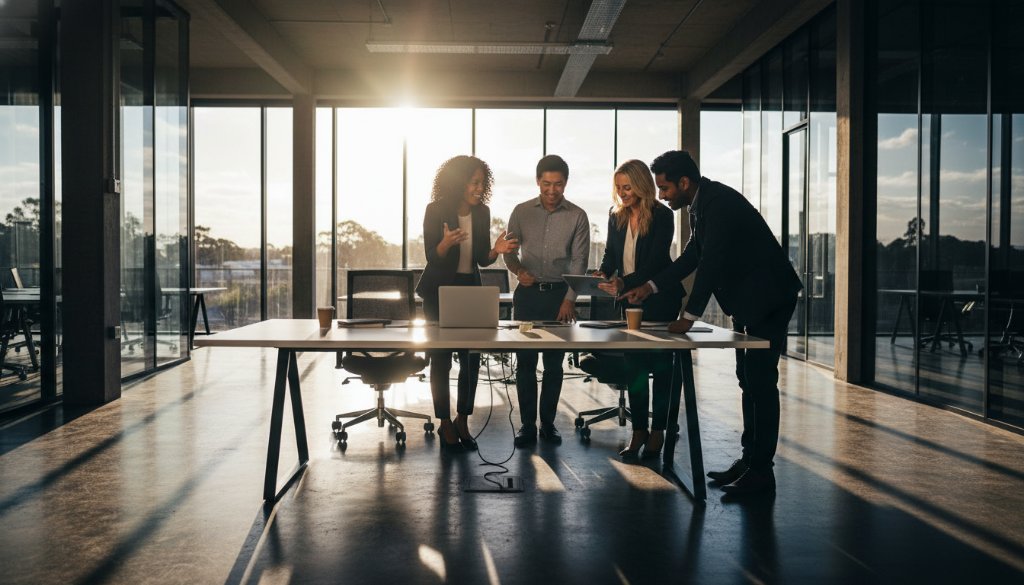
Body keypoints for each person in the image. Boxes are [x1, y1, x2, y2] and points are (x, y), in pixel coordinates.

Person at [620, 150, 801, 495]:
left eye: (665, 188)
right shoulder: (701, 205)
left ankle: (761, 470)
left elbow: (712, 264)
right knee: (748, 379)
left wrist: (688, 317)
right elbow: (692, 256)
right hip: (751, 303)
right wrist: (650, 286)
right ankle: (750, 461)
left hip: (769, 299)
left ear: (684, 183)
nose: (661, 195)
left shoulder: (718, 203)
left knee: (761, 383)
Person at [417, 155, 519, 451]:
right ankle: (444, 422)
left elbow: (480, 259)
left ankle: (462, 418)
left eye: (482, 183)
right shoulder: (435, 210)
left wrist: (496, 251)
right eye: (474, 182)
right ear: (458, 182)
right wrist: (445, 243)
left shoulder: (482, 212)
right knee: (441, 358)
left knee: (472, 358)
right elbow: (431, 256)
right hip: (438, 291)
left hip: (468, 289)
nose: (479, 188)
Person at [593, 159, 684, 459]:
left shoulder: (661, 215)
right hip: (630, 301)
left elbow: (657, 261)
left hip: (659, 298)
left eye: (628, 187)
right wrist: (604, 274)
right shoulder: (616, 216)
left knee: (660, 368)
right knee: (635, 368)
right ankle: (639, 431)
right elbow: (610, 255)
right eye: (618, 188)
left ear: (642, 185)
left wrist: (623, 282)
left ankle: (658, 431)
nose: (622, 193)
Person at [504, 154, 590, 447]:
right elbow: (508, 251)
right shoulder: (521, 211)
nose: (552, 191)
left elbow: (580, 261)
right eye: (546, 184)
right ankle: (527, 425)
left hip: (558, 299)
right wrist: (518, 270)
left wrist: (569, 299)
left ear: (565, 183)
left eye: (558, 185)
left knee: (554, 365)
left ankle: (548, 425)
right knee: (525, 363)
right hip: (527, 298)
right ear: (537, 181)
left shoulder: (578, 216)